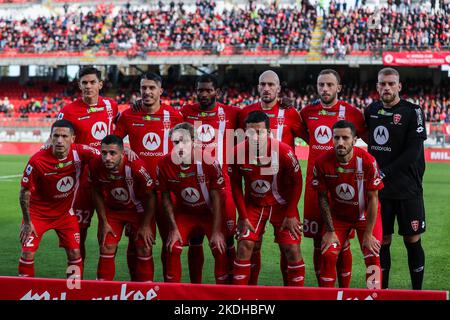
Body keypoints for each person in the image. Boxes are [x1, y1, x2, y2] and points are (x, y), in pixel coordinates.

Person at [299, 69, 367, 287]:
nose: (325, 89)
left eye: (329, 85)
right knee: (319, 243)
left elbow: (369, 141)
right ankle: (324, 291)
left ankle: (344, 290)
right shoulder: (307, 112)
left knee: (342, 240)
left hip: (342, 188)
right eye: (321, 85)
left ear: (339, 88)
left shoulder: (353, 113)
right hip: (315, 187)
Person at [115, 72, 183, 281]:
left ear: (161, 91)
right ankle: (141, 289)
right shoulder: (128, 115)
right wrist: (125, 149)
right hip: (139, 193)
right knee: (139, 242)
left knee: (172, 244)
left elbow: (185, 148)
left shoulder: (174, 116)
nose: (147, 92)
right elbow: (113, 143)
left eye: (152, 88)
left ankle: (170, 291)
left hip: (167, 192)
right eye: (143, 88)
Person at [364, 68, 427, 290]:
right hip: (380, 192)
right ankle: (383, 292)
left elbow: (413, 152)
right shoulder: (371, 110)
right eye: (382, 84)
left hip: (409, 188)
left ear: (399, 86)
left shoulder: (413, 111)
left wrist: (384, 172)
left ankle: (417, 292)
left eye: (391, 83)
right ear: (377, 86)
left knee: (412, 240)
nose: (386, 87)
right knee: (383, 242)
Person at [238, 70, 303, 285]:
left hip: (282, 192)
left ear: (278, 89)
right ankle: (248, 294)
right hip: (255, 193)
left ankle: (291, 293)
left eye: (270, 85)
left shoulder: (291, 113)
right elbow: (238, 145)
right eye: (262, 84)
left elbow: (311, 137)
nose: (266, 88)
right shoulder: (245, 112)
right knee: (249, 245)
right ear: (258, 87)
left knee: (289, 247)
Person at [18, 120, 100, 278]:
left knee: (75, 252)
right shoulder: (37, 161)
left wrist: (128, 152)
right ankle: (26, 292)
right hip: (37, 215)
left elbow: (106, 155)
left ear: (73, 138)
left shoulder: (81, 152)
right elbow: (24, 193)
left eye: (64, 136)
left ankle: (73, 290)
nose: (60, 140)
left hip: (65, 214)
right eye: (56, 136)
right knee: (27, 254)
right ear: (50, 138)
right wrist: (27, 222)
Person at [180, 74, 240, 284]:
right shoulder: (186, 112)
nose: (204, 94)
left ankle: (230, 289)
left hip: (223, 188)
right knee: (195, 239)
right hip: (193, 187)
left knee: (227, 239)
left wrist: (282, 103)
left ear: (217, 91)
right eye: (200, 90)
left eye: (208, 90)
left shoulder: (232, 113)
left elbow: (255, 114)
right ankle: (196, 287)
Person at [57, 67, 119, 266]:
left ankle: (103, 287)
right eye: (84, 83)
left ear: (101, 84)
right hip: (82, 180)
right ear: (79, 85)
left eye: (92, 82)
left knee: (108, 234)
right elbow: (60, 142)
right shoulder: (68, 110)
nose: (88, 86)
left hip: (108, 178)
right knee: (78, 235)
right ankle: (76, 285)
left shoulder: (111, 105)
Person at [312, 120, 383, 289]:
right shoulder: (322, 162)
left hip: (365, 216)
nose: (340, 143)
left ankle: (373, 295)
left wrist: (368, 233)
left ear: (355, 139)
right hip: (338, 217)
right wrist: (330, 230)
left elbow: (374, 199)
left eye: (345, 138)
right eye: (336, 138)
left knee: (372, 256)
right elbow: (322, 197)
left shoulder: (367, 161)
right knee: (328, 255)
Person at [156, 122, 228, 284]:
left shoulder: (208, 161)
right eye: (176, 142)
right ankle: (172, 294)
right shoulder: (164, 164)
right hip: (185, 212)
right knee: (173, 245)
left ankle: (223, 295)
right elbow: (165, 196)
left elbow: (218, 196)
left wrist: (217, 231)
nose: (180, 146)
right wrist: (173, 228)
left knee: (219, 247)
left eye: (185, 141)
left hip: (209, 213)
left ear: (195, 142)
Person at [89, 135, 156, 281]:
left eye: (112, 153)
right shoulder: (95, 164)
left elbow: (151, 196)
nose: (107, 158)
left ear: (122, 153)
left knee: (144, 247)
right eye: (104, 153)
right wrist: (103, 221)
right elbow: (95, 191)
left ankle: (146, 292)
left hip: (138, 211)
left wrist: (145, 225)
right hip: (113, 211)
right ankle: (103, 292)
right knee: (106, 246)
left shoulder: (137, 167)